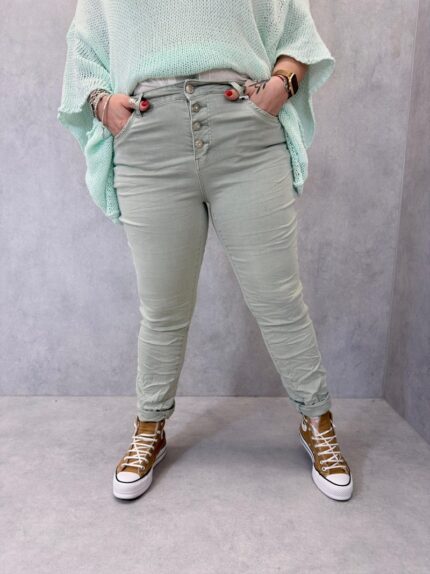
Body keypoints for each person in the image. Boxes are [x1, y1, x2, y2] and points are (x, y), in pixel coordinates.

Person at [57, 0, 353, 502]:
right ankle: (149, 426)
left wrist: (281, 86)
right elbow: (84, 51)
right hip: (149, 143)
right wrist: (103, 104)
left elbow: (296, 34)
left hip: (246, 134)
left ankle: (317, 421)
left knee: (278, 299)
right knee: (163, 308)